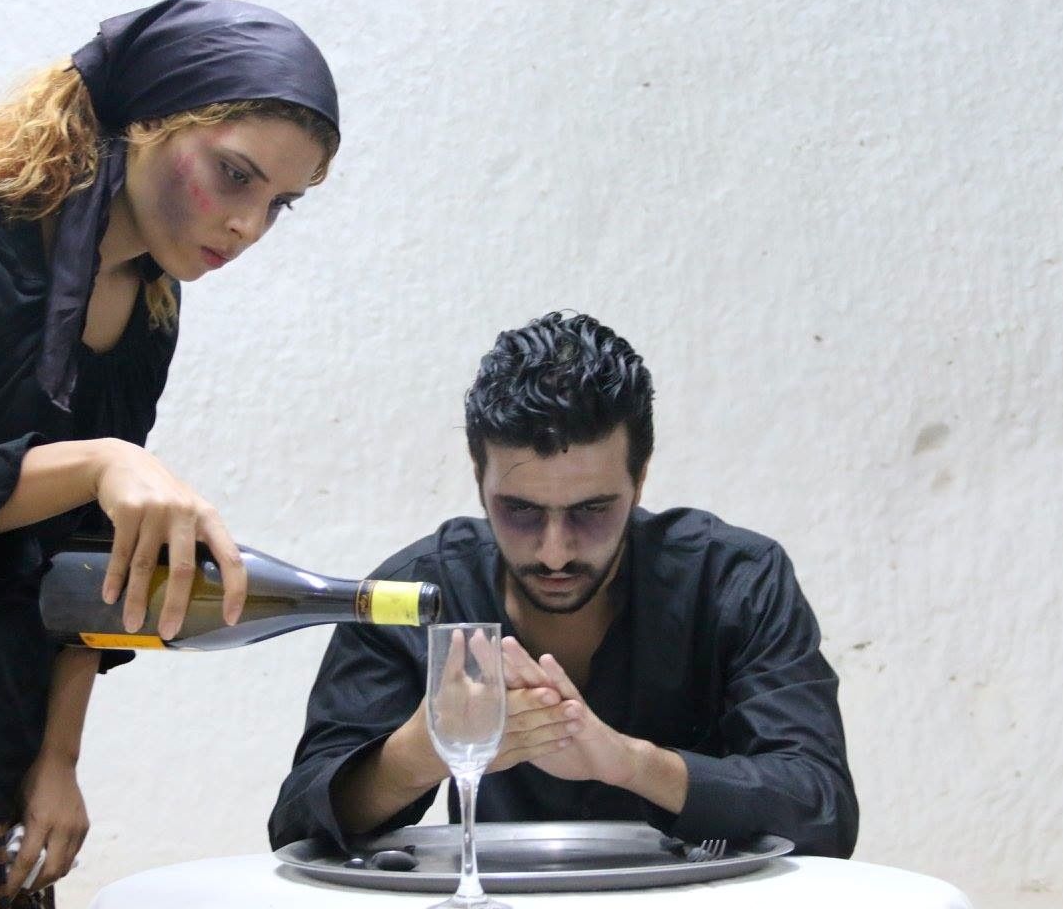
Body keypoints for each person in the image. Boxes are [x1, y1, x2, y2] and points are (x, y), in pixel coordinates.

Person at [0, 0, 339, 906]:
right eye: (234, 175)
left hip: (3, 768)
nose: (250, 225)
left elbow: (86, 559)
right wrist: (96, 462)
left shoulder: (150, 310)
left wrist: (59, 757)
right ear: (146, 121)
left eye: (279, 203)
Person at [269, 312, 859, 858]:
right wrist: (420, 753)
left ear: (640, 479)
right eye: (520, 511)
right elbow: (295, 829)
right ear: (479, 479)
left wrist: (630, 764)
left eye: (592, 510)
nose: (555, 551)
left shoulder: (734, 580)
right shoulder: (415, 594)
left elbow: (823, 811)